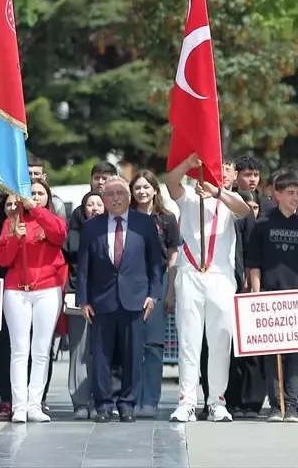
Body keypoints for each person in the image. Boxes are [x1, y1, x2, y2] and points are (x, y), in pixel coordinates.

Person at [163, 154, 251, 423]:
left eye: (228, 169)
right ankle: (187, 401)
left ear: (234, 175)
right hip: (190, 274)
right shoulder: (189, 197)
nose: (222, 173)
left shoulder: (231, 201)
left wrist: (217, 191)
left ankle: (216, 401)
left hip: (220, 277)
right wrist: (187, 162)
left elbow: (244, 211)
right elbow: (170, 181)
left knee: (220, 342)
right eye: (218, 168)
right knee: (189, 342)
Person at [76, 176, 165, 423]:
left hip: (136, 300)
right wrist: (83, 300)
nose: (115, 198)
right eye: (110, 194)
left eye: (120, 193)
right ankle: (103, 405)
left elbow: (156, 263)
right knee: (101, 357)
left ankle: (127, 403)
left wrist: (153, 295)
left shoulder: (144, 224)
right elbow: (84, 265)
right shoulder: (92, 226)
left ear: (129, 197)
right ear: (103, 199)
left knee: (133, 356)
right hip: (100, 301)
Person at [245, 170, 298, 422]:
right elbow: (254, 263)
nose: (296, 197)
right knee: (272, 355)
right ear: (277, 195)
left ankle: (291, 405)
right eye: (291, 193)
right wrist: (256, 294)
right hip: (269, 296)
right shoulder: (263, 223)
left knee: (296, 355)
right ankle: (276, 406)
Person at [0, 180, 67, 424]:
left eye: (40, 193)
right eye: (31, 193)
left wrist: (35, 209)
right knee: (19, 350)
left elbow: (59, 236)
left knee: (41, 350)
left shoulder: (51, 220)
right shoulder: (11, 222)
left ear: (48, 197)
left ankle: (34, 404)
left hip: (47, 289)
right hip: (17, 290)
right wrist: (15, 238)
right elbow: (3, 259)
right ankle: (19, 405)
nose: (36, 196)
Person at [130, 171, 180, 419]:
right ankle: (132, 397)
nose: (141, 192)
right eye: (137, 187)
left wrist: (170, 291)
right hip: (129, 287)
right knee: (132, 346)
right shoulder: (125, 218)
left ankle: (150, 399)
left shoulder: (167, 219)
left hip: (158, 285)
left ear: (154, 189)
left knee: (153, 345)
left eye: (146, 187)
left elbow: (173, 257)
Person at [64, 191, 103, 419]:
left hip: (106, 298)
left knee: (102, 351)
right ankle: (80, 402)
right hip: (78, 297)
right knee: (78, 351)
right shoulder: (74, 234)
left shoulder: (113, 231)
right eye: (91, 204)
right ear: (83, 209)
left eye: (99, 204)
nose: (95, 208)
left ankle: (100, 400)